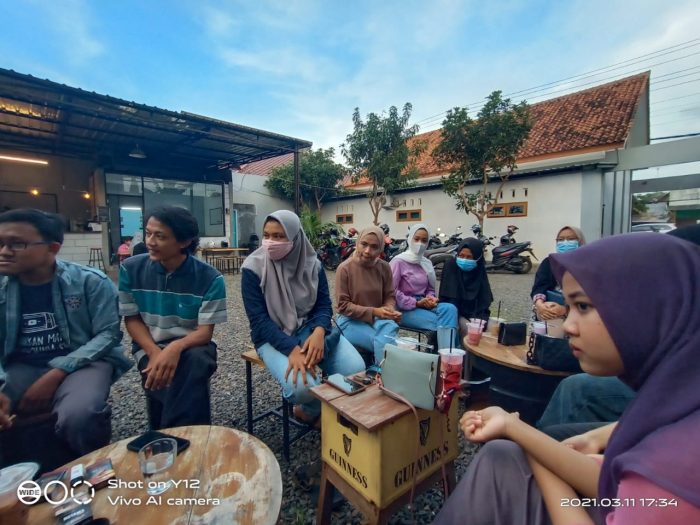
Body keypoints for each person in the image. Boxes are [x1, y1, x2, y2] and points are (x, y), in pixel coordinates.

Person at [433, 233, 700, 524]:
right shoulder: (672, 404)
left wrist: (536, 448)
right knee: (501, 455)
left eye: (583, 306)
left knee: (501, 461)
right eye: (569, 307)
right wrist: (522, 432)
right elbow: (614, 486)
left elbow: (634, 494)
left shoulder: (676, 461)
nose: (568, 325)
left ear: (649, 309)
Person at [0, 209, 131, 455]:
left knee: (80, 415)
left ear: (53, 248)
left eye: (17, 244)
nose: (5, 252)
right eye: (0, 243)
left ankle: (89, 470)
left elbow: (108, 334)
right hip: (18, 365)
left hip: (85, 360)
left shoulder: (90, 282)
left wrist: (57, 372)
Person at [241, 210, 365, 425]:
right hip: (272, 336)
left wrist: (319, 331)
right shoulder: (252, 268)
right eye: (267, 235)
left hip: (310, 328)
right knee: (303, 387)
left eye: (279, 236)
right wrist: (292, 350)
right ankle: (308, 409)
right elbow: (259, 320)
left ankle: (322, 409)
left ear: (295, 237)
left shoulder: (312, 264)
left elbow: (324, 304)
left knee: (355, 370)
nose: (270, 242)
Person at [119, 206, 227, 429]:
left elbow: (205, 332)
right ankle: (191, 439)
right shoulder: (131, 269)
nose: (150, 241)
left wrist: (174, 348)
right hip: (149, 345)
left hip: (194, 345)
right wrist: (154, 352)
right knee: (170, 377)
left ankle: (164, 438)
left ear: (184, 242)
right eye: (148, 233)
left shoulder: (209, 278)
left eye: (160, 236)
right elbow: (132, 319)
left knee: (194, 363)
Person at [335, 226, 401, 364]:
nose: (367, 251)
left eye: (374, 247)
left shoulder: (384, 267)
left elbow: (389, 295)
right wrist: (375, 311)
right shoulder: (344, 269)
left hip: (378, 320)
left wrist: (389, 309)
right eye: (364, 244)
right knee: (386, 344)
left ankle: (380, 376)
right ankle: (384, 378)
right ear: (357, 242)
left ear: (381, 249)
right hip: (349, 321)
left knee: (387, 336)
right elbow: (343, 306)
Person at [390, 224, 458, 348]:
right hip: (402, 309)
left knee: (450, 309)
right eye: (416, 239)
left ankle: (447, 355)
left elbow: (430, 289)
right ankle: (448, 357)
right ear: (410, 239)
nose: (420, 243)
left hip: (422, 304)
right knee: (445, 324)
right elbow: (391, 292)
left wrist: (430, 298)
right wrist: (415, 303)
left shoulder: (426, 263)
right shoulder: (398, 262)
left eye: (424, 240)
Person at [438, 238, 493, 339]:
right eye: (461, 256)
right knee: (469, 331)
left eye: (469, 257)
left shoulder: (479, 271)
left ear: (478, 258)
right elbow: (448, 299)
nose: (464, 260)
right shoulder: (451, 266)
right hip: (455, 313)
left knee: (491, 332)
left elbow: (483, 303)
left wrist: (479, 321)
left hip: (476, 314)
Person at [531, 225, 586, 321]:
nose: (565, 242)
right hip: (550, 313)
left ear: (580, 241)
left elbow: (593, 299)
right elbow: (540, 286)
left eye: (571, 239)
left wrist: (566, 310)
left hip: (580, 318)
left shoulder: (588, 264)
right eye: (560, 239)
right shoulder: (549, 262)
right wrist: (540, 304)